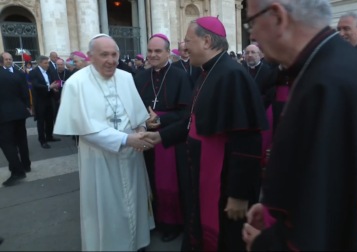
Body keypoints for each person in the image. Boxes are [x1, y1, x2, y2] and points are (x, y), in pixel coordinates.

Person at [242, 0, 357, 251]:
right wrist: (273, 210)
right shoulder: (337, 65)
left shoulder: (325, 83)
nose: (253, 35)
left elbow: (323, 210)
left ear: (278, 17)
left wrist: (267, 244)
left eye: (252, 22)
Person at [140, 17, 268, 251]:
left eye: (188, 40)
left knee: (226, 240)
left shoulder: (232, 75)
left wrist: (239, 194)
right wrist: (161, 137)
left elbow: (247, 139)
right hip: (203, 175)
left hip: (225, 182)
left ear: (207, 40)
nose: (184, 47)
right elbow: (192, 120)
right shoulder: (206, 73)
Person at [53, 34, 155, 251]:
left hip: (130, 155)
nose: (111, 60)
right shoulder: (76, 84)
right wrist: (127, 139)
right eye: (104, 55)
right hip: (100, 159)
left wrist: (142, 130)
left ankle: (137, 242)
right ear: (90, 57)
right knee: (107, 207)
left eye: (114, 54)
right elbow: (85, 130)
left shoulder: (126, 78)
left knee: (134, 200)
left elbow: (138, 117)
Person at [134, 33, 192, 243]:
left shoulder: (180, 75)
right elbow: (134, 107)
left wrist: (160, 121)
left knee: (169, 182)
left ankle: (172, 223)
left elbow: (186, 112)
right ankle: (153, 219)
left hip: (170, 137)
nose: (153, 55)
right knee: (148, 179)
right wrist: (144, 121)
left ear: (168, 52)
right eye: (150, 51)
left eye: (158, 51)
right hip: (145, 134)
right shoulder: (140, 76)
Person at [0, 53, 31, 186]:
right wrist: (27, 107)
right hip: (19, 112)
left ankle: (18, 171)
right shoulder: (18, 74)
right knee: (21, 139)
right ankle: (25, 165)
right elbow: (25, 93)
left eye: (10, 59)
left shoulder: (13, 74)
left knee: (7, 143)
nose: (8, 61)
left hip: (4, 115)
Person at [29, 55, 61, 149]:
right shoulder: (33, 72)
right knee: (41, 121)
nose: (48, 65)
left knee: (50, 119)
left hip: (49, 99)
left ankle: (49, 136)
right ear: (39, 63)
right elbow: (36, 85)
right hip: (40, 101)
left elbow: (50, 83)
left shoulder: (48, 71)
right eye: (45, 63)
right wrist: (49, 87)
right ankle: (42, 140)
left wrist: (53, 89)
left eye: (48, 63)